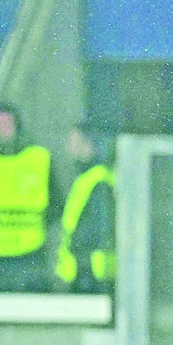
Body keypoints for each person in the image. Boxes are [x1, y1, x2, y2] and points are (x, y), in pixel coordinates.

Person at [0, 102, 63, 292]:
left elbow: (57, 202)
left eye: (7, 123)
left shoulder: (38, 158)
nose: (3, 129)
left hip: (31, 251)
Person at [55, 124, 115, 294]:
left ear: (86, 142)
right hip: (83, 270)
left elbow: (94, 228)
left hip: (91, 272)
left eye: (73, 140)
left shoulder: (98, 178)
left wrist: (82, 260)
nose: (68, 146)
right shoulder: (86, 176)